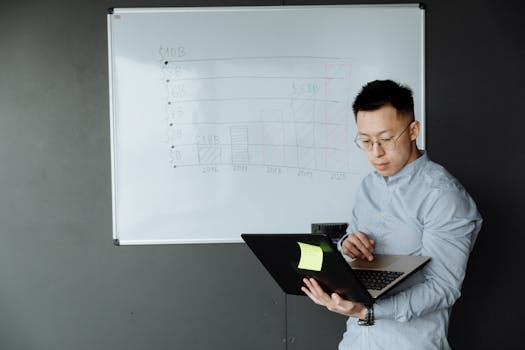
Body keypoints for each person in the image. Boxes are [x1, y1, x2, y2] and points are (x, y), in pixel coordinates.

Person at [301, 79, 482, 349]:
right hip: (355, 341)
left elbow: (443, 287)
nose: (376, 152)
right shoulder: (367, 187)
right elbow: (358, 264)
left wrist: (367, 312)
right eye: (365, 141)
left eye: (386, 139)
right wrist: (347, 247)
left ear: (413, 130)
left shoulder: (444, 196)